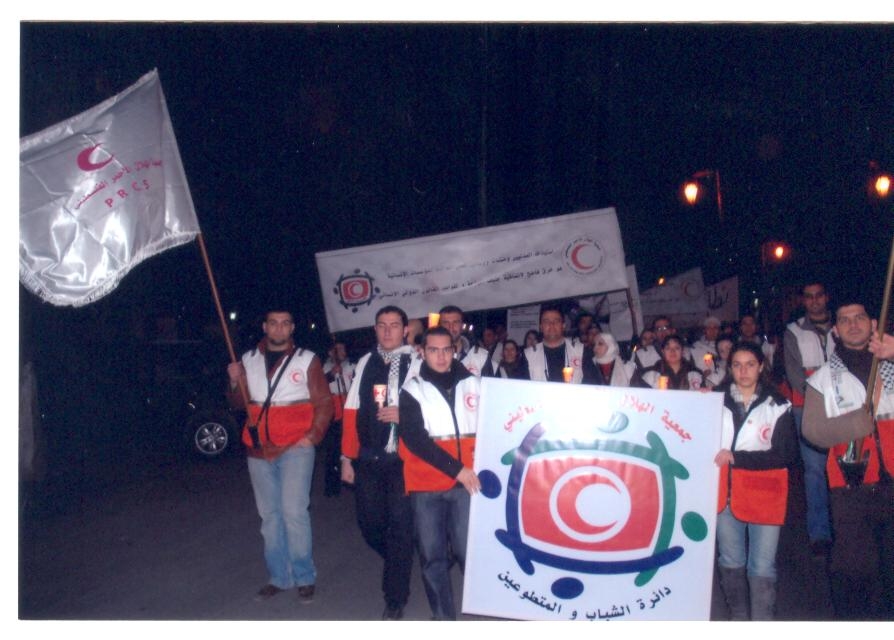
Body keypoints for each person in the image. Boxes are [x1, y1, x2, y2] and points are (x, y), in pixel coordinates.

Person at [226, 307, 333, 604]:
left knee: (294, 512)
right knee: (270, 518)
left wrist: (311, 437)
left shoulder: (306, 359)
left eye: (285, 323)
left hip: (295, 448)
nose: (279, 328)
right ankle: (279, 577)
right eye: (273, 323)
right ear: (265, 326)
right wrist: (234, 381)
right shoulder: (248, 359)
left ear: (292, 328)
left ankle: (304, 576)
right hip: (258, 449)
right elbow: (238, 403)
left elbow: (324, 402)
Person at [802, 302, 894, 620]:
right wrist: (855, 424)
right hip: (851, 487)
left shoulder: (890, 363)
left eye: (860, 318)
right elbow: (812, 431)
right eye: (845, 320)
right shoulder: (822, 379)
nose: (853, 324)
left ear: (873, 324)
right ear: (836, 331)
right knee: (856, 572)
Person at [398, 327, 482, 620]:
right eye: (433, 350)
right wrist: (457, 470)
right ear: (422, 352)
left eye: (447, 349)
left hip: (466, 485)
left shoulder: (475, 385)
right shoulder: (412, 390)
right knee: (432, 557)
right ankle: (444, 617)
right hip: (427, 486)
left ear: (454, 350)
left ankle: (482, 605)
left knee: (468, 552)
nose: (441, 356)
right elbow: (415, 440)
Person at [340, 305, 417, 620]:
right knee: (369, 524)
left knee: (399, 526)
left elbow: (433, 405)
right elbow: (351, 409)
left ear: (405, 330)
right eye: (382, 325)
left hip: (403, 460)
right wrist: (347, 457)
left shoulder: (417, 361)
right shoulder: (365, 362)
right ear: (375, 329)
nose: (387, 331)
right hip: (369, 457)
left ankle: (395, 597)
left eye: (394, 325)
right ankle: (401, 559)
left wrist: (405, 413)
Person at [713, 341, 798, 620]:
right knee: (730, 560)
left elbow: (785, 454)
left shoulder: (779, 404)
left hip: (766, 494)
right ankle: (739, 619)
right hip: (726, 494)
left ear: (761, 366)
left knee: (762, 566)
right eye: (737, 365)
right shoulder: (713, 401)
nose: (743, 371)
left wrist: (738, 458)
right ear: (730, 368)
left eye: (750, 364)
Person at [782, 281, 836, 555]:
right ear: (804, 301)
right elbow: (794, 375)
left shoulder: (842, 326)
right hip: (807, 409)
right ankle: (820, 533)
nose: (814, 301)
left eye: (819, 296)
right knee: (814, 470)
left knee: (842, 468)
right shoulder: (793, 331)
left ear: (826, 298)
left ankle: (845, 525)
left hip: (843, 408)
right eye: (809, 297)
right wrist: (819, 401)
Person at [321, 340, 354, 497]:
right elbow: (319, 384)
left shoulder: (351, 366)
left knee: (351, 447)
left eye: (342, 348)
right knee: (333, 450)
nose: (341, 352)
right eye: (337, 349)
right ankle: (332, 488)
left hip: (348, 407)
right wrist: (331, 374)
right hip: (333, 412)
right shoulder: (325, 367)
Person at [524, 306, 585, 383]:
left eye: (556, 321)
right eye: (546, 321)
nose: (552, 325)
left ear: (563, 326)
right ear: (541, 327)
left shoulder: (580, 351)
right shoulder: (528, 355)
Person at [631, 334, 705, 390]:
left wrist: (705, 392)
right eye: (668, 348)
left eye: (676, 348)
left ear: (682, 351)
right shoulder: (650, 374)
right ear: (663, 352)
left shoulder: (696, 373)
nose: (672, 351)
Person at [439, 305, 493, 377]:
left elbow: (490, 383)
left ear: (462, 325)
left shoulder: (481, 356)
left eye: (455, 322)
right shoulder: (428, 355)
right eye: (446, 323)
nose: (451, 327)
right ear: (439, 326)